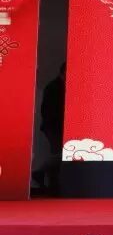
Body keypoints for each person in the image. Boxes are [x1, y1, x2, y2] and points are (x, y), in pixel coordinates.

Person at [32, 62, 66, 195]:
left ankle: (51, 182)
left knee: (58, 155)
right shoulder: (54, 87)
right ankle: (41, 174)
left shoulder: (58, 86)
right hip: (53, 126)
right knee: (59, 154)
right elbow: (50, 110)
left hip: (55, 125)